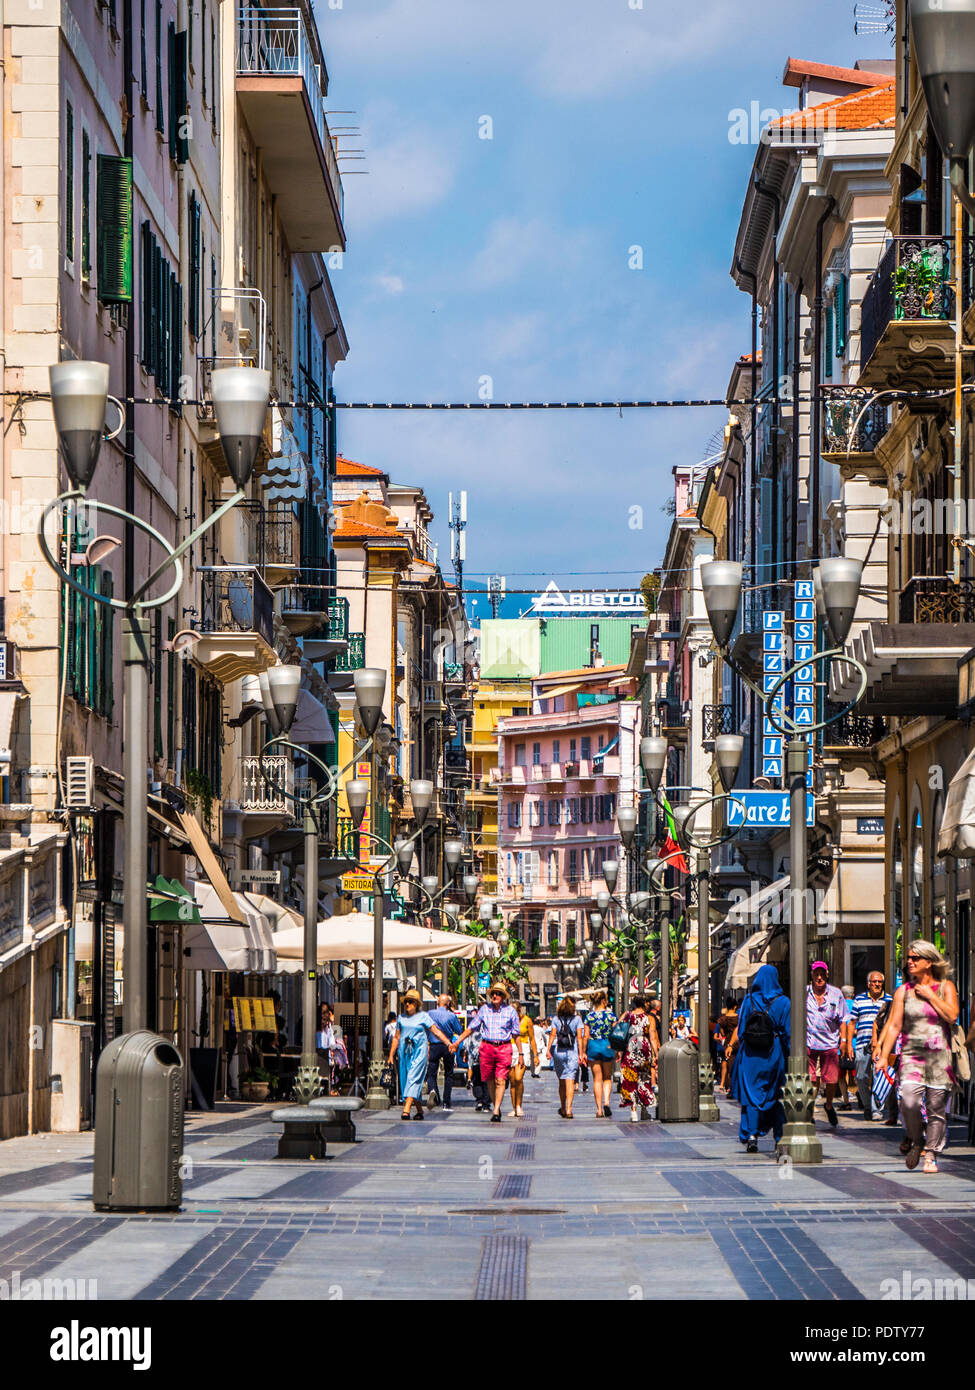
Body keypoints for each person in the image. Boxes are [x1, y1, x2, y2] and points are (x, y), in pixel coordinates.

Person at [875, 941, 959, 1173]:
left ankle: (930, 1154)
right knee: (908, 1102)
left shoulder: (945, 987)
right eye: (909, 958)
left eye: (915, 958)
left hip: (939, 1059)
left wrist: (930, 997)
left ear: (929, 962)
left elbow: (952, 1016)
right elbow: (894, 1025)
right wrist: (884, 1055)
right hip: (912, 1057)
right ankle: (916, 1138)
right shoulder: (904, 991)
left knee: (936, 1110)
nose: (909, 962)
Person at [728, 964, 790, 1152]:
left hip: (750, 1056)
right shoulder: (784, 1002)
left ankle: (752, 1134)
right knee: (775, 1092)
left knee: (751, 1095)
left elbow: (741, 1030)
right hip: (774, 1053)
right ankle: (779, 1135)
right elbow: (788, 1033)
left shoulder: (748, 1000)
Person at [453, 983, 522, 1122]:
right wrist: (457, 1042)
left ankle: (496, 1110)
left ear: (503, 996)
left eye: (498, 994)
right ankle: (495, 1104)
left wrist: (521, 1054)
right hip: (487, 1047)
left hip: (504, 1047)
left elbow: (516, 1034)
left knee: (500, 1079)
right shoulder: (485, 1010)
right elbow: (471, 1028)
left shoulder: (510, 1011)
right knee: (489, 1080)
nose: (495, 996)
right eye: (493, 994)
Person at [387, 990, 455, 1120]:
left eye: (410, 1002)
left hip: (419, 1052)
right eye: (406, 1001)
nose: (407, 1004)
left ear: (416, 1004)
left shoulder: (424, 1016)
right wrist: (391, 1055)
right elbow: (396, 1037)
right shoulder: (401, 1018)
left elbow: (436, 1031)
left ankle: (406, 1109)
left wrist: (448, 1043)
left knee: (413, 1078)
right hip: (404, 1052)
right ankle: (419, 1110)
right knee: (407, 1080)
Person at [806, 960, 853, 1127]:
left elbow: (844, 1019)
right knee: (811, 1079)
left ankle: (828, 1104)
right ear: (811, 975)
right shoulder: (804, 993)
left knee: (831, 1080)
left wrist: (845, 1041)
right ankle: (810, 1111)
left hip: (830, 1043)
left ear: (827, 975)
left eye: (821, 974)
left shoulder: (836, 993)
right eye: (815, 974)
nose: (819, 977)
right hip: (810, 1043)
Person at [849, 971, 892, 1119]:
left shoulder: (889, 1000)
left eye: (880, 982)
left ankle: (875, 1109)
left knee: (878, 1077)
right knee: (861, 1077)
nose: (877, 984)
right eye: (874, 982)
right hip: (862, 1043)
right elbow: (852, 1022)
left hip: (882, 1046)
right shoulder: (859, 1000)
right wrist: (848, 1044)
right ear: (868, 984)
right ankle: (868, 1105)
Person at [618, 995, 659, 1121]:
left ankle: (633, 1111)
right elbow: (652, 1037)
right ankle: (644, 1110)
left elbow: (619, 1032)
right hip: (644, 1048)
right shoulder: (649, 1018)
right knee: (643, 1079)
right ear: (645, 1003)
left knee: (630, 1079)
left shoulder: (627, 1015)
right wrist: (656, 1054)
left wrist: (619, 1050)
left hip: (630, 1047)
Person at [547, 996, 585, 1118]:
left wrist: (548, 1050)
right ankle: (569, 1109)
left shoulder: (556, 1019)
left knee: (562, 1081)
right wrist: (581, 1054)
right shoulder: (577, 1019)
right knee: (570, 1081)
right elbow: (579, 1037)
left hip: (559, 1052)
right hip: (572, 1053)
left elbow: (553, 1035)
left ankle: (562, 1107)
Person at [426, 993, 463, 1110]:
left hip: (434, 1045)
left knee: (432, 1072)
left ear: (437, 1003)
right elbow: (459, 1030)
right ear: (448, 1003)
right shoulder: (451, 1016)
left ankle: (433, 1091)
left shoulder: (430, 1013)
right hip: (448, 1046)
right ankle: (446, 1101)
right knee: (448, 1074)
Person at [584, 990, 617, 1117]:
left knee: (597, 1079)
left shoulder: (589, 1017)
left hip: (593, 1046)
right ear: (604, 1001)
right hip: (607, 1045)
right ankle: (607, 1102)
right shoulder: (611, 1016)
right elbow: (615, 1034)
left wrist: (583, 1052)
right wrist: (617, 1050)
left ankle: (599, 1110)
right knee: (607, 1077)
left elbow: (585, 1036)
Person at [507, 1003, 538, 1117]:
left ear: (519, 1011)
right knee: (512, 1081)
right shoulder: (507, 1020)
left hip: (523, 1049)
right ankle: (514, 1107)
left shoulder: (527, 1021)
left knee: (518, 1078)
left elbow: (532, 1038)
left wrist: (535, 1055)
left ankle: (519, 1106)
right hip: (509, 1049)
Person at [716, 997, 739, 1091]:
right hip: (738, 1042)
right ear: (735, 1006)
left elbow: (722, 1033)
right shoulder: (739, 1018)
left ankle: (728, 1086)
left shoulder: (722, 1019)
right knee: (737, 1063)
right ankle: (736, 1085)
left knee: (728, 1063)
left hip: (727, 1042)